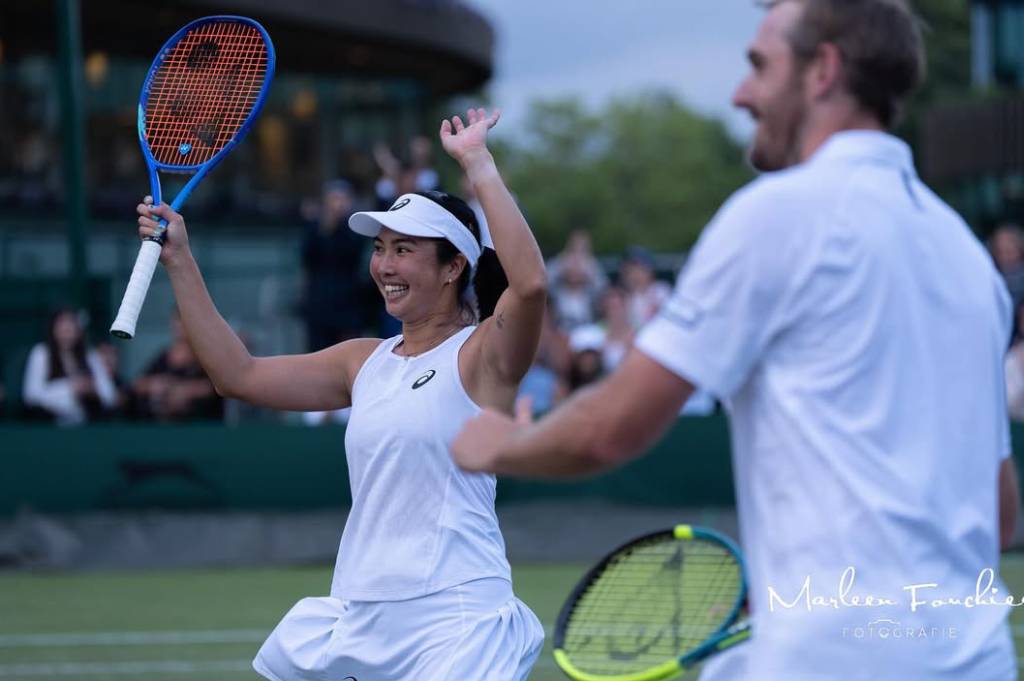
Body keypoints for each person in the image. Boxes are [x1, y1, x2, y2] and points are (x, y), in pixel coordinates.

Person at [453, 2, 1020, 680]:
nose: (740, 92)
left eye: (759, 66)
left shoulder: (775, 215)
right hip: (979, 659)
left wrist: (500, 443)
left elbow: (611, 428)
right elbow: (1001, 512)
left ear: (823, 71)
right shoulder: (967, 257)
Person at [134, 107, 546, 680]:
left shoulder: (483, 355)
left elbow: (529, 285)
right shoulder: (363, 361)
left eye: (405, 250)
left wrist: (477, 164)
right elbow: (239, 375)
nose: (384, 265)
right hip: (361, 616)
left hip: (456, 618)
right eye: (380, 248)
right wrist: (179, 259)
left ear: (454, 267)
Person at [299, 179, 369, 353]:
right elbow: (307, 258)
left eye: (342, 199)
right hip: (320, 301)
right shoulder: (315, 227)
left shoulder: (354, 227)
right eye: (334, 199)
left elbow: (355, 254)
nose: (338, 204)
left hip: (348, 300)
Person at [22, 308, 117, 426]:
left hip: (87, 426)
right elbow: (32, 396)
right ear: (53, 329)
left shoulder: (89, 355)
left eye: (71, 326)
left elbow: (109, 396)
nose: (67, 331)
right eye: (62, 326)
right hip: (48, 426)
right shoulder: (41, 353)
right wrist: (70, 388)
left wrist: (91, 390)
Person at [132, 312, 223, 422]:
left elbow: (215, 387)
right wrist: (157, 385)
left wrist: (185, 390)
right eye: (177, 321)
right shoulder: (164, 356)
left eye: (183, 321)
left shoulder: (204, 356)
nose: (180, 327)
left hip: (199, 425)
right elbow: (138, 384)